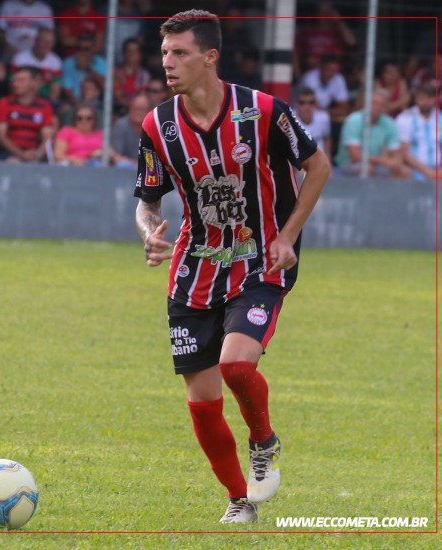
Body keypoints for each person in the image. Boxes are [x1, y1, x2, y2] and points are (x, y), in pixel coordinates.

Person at [135, 11, 330, 524]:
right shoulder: (158, 125)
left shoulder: (262, 111)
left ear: (209, 56)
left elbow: (318, 165)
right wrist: (149, 230)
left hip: (260, 259)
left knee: (237, 365)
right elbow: (147, 199)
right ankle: (238, 500)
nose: (168, 63)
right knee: (202, 400)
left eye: (179, 53)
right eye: (164, 54)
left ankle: (263, 442)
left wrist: (288, 236)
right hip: (194, 267)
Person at [335, 90, 408, 178]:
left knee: (404, 171)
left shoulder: (390, 123)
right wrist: (384, 160)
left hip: (376, 164)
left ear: (386, 107)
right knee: (366, 168)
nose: (377, 107)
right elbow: (355, 156)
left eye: (382, 104)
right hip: (349, 164)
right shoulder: (354, 120)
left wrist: (395, 162)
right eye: (374, 103)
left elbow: (396, 155)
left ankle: (389, 192)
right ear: (367, 103)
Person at [0, 66, 54, 162]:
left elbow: (47, 137)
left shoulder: (44, 105)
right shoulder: (5, 102)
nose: (15, 84)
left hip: (34, 154)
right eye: (14, 81)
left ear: (33, 83)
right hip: (10, 153)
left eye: (21, 81)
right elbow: (2, 136)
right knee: (13, 162)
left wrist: (38, 154)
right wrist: (21, 154)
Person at [396, 84, 441, 182]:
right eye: (422, 98)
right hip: (414, 169)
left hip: (439, 170)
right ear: (416, 99)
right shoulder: (405, 118)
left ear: (435, 99)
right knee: (402, 172)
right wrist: (426, 171)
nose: (425, 102)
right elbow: (403, 151)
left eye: (429, 98)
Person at [10, 28, 62, 104]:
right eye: (43, 41)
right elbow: (12, 84)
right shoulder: (20, 58)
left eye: (50, 42)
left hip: (45, 100)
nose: (46, 44)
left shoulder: (56, 61)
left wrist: (49, 106)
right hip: (21, 97)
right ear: (36, 41)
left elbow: (55, 89)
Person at [61, 33, 107, 104]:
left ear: (93, 49)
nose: (83, 52)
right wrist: (79, 105)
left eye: (86, 49)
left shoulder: (102, 63)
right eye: (80, 48)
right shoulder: (68, 63)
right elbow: (68, 92)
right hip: (74, 102)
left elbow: (106, 86)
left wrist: (87, 68)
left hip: (97, 103)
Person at [111, 94, 149, 169]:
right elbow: (116, 156)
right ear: (130, 109)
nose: (139, 112)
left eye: (142, 109)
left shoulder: (153, 127)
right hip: (126, 169)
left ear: (149, 111)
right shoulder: (121, 125)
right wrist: (135, 164)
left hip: (148, 169)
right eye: (136, 108)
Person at [113, 38, 151, 113]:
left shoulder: (144, 75)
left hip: (139, 110)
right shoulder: (116, 73)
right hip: (119, 110)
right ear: (124, 53)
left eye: (135, 51)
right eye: (129, 51)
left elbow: (142, 96)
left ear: (140, 55)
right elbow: (118, 97)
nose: (131, 54)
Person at [293, 87, 331, 154]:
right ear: (296, 104)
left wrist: (328, 160)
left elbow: (326, 139)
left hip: (320, 159)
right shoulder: (291, 120)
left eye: (311, 102)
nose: (307, 106)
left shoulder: (324, 118)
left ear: (315, 104)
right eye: (302, 103)